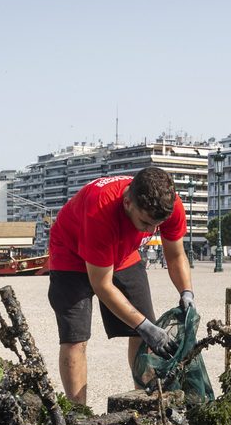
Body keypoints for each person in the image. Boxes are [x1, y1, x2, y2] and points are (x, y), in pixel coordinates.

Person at [47, 167, 193, 405]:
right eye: (145, 222)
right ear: (127, 202)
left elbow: (176, 256)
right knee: (75, 337)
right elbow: (102, 285)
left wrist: (187, 293)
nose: (151, 231)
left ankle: (144, 401)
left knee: (144, 335)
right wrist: (145, 325)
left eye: (157, 224)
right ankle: (77, 412)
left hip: (124, 254)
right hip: (70, 255)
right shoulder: (100, 211)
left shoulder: (169, 204)